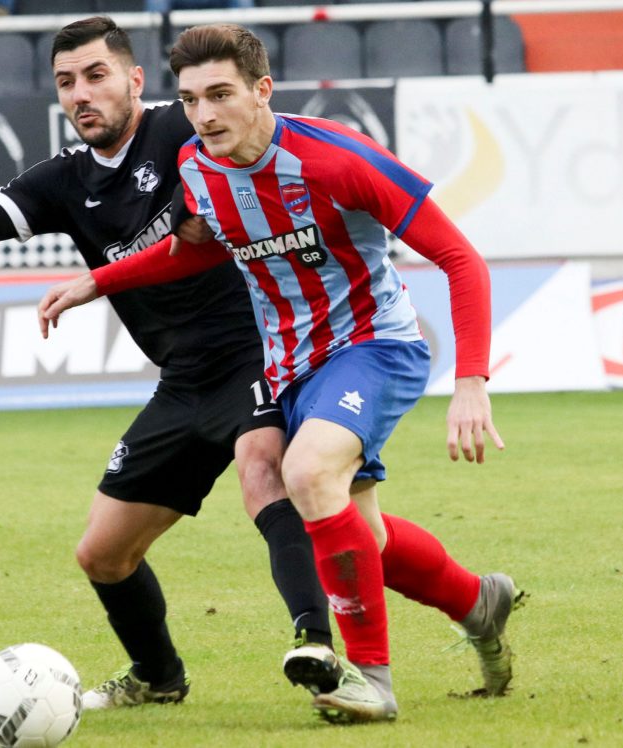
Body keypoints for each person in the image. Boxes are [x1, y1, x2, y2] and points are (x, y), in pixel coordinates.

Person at [39, 22, 523, 724]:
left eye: (221, 95)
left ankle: (371, 682)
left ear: (263, 90)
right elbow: (196, 248)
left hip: (372, 345)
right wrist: (99, 281)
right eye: (191, 99)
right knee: (358, 534)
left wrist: (472, 381)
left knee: (307, 474)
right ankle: (478, 602)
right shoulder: (199, 168)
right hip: (289, 362)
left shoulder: (337, 160)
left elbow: (460, 259)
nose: (204, 115)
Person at [0, 16, 340, 711]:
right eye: (66, 83)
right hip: (183, 384)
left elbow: (261, 147)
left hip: (260, 351)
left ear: (135, 80)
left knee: (263, 472)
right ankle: (158, 676)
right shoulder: (66, 178)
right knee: (103, 554)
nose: (81, 94)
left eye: (96, 76)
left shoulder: (186, 126)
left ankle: (315, 644)